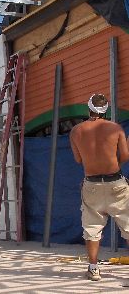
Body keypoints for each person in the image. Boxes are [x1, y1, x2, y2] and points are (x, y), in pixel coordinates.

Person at [70, 93, 129, 281]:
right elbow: (125, 156)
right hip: (116, 183)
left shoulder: (76, 131)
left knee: (92, 228)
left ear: (89, 108)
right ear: (106, 110)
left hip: (92, 184)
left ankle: (94, 268)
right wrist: (114, 168)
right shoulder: (115, 128)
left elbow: (79, 159)